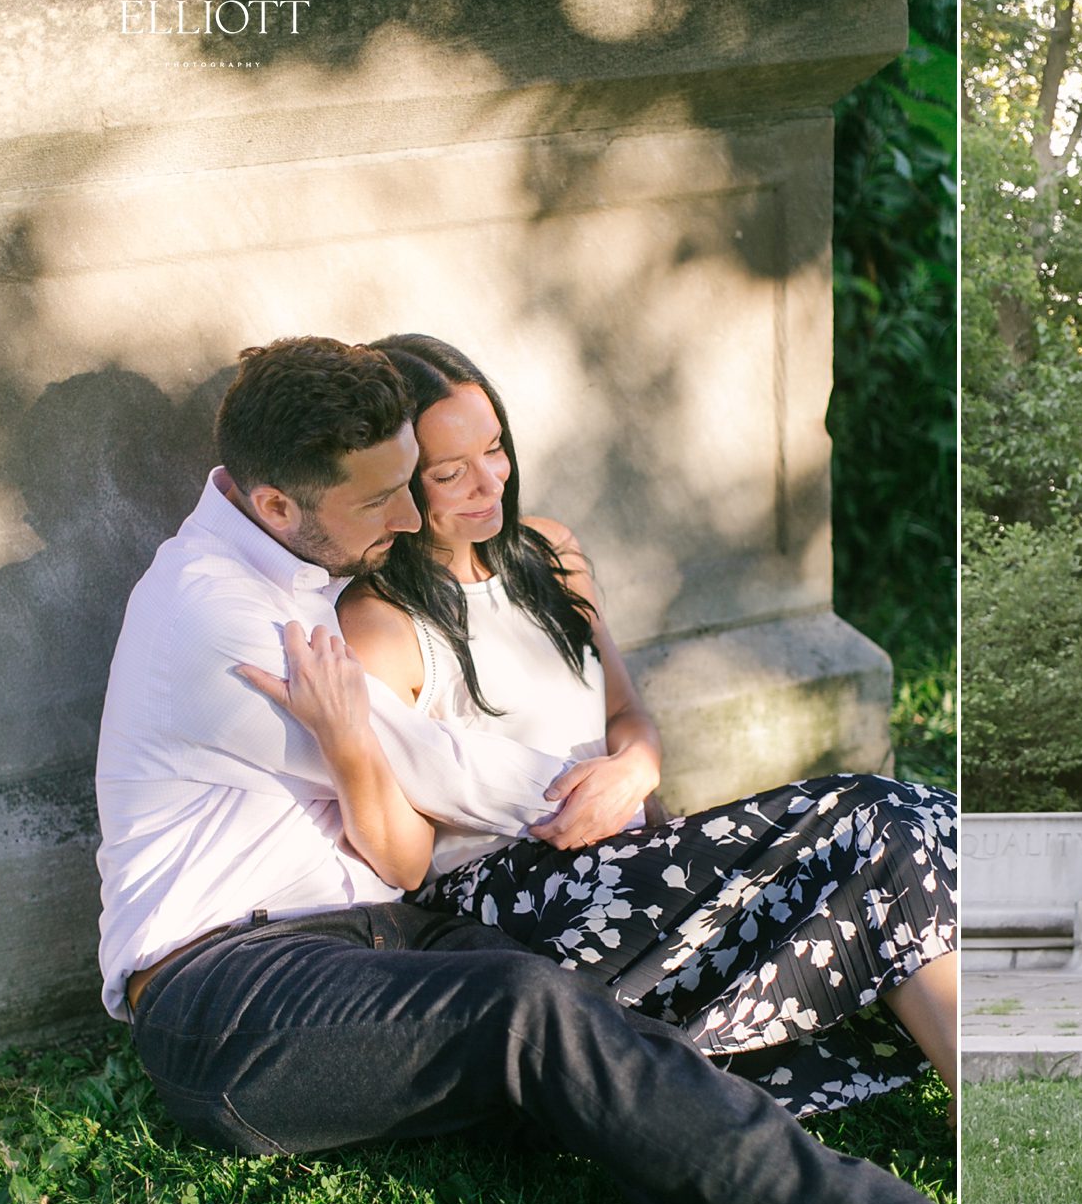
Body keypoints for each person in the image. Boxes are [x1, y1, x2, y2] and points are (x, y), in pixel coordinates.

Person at [95, 337, 955, 1204]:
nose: (412, 516)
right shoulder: (217, 614)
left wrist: (627, 766)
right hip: (226, 993)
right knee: (533, 1011)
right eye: (383, 500)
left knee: (615, 1050)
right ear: (278, 505)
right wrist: (597, 789)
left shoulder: (298, 566)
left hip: (382, 936)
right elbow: (445, 768)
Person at [306, 332, 958, 1120]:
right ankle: (972, 1085)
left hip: (635, 854)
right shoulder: (379, 625)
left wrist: (635, 769)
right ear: (401, 484)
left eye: (496, 449)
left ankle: (967, 1070)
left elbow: (626, 711)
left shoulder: (548, 551)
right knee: (879, 821)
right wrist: (348, 746)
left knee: (921, 814)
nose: (488, 483)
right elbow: (403, 859)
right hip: (524, 905)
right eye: (449, 473)